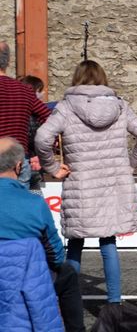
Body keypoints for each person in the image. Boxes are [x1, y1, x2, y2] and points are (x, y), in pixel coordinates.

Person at [35, 60, 137, 304]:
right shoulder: (120, 106)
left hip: (81, 185)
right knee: (108, 243)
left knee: (76, 242)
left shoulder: (66, 107)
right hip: (112, 184)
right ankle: (114, 304)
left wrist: (53, 168)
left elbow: (42, 137)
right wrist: (130, 164)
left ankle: (68, 301)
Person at [0, 137, 85, 331]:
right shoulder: (34, 204)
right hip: (22, 276)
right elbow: (55, 254)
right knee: (68, 274)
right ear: (19, 166)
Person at [0, 42, 51, 189]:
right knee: (17, 209)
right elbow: (50, 119)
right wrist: (43, 152)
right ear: (8, 61)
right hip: (17, 163)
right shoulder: (24, 90)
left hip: (17, 162)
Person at [18, 75, 51, 193]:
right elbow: (32, 136)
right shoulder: (33, 114)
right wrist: (34, 155)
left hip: (26, 158)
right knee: (33, 190)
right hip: (31, 159)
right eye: (40, 90)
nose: (43, 93)